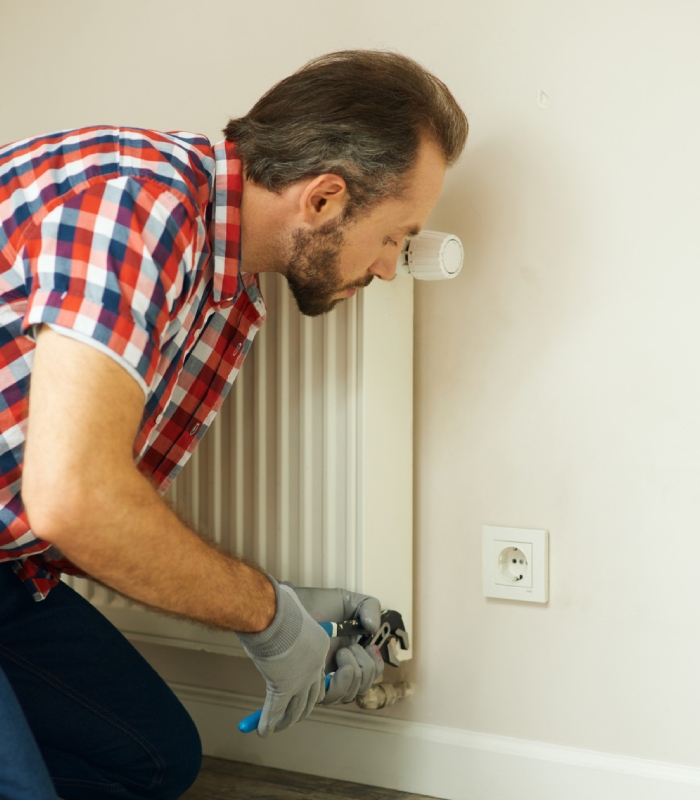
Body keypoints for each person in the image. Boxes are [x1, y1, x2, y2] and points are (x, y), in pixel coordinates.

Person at [0, 50, 468, 799]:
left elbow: (75, 513)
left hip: (7, 570)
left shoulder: (229, 292)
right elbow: (74, 499)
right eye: (392, 235)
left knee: (150, 761)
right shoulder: (137, 206)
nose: (388, 267)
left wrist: (285, 604)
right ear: (322, 199)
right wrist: (268, 618)